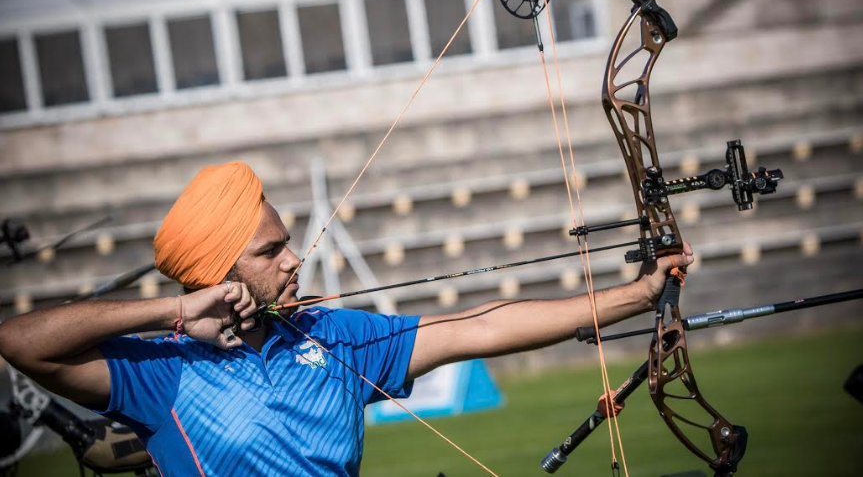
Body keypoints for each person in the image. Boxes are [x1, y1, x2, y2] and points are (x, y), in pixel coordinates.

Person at [0, 161, 693, 476]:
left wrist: (634, 296)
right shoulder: (160, 370)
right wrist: (179, 310)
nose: (295, 259)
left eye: (287, 242)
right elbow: (19, 341)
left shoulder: (333, 338)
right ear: (219, 277)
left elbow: (478, 327)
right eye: (272, 251)